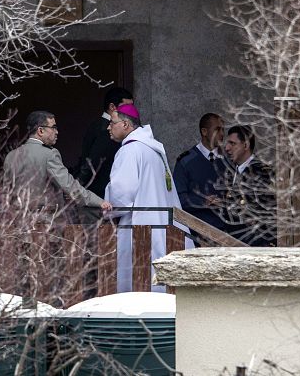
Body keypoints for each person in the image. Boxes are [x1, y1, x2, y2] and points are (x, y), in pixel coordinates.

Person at [105, 104, 193, 292]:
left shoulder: (130, 150)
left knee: (141, 282)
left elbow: (121, 195)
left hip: (140, 226)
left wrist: (106, 203)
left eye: (112, 123)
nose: (108, 127)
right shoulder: (154, 149)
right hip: (163, 224)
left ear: (125, 124)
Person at [3, 110, 113, 222]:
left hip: (17, 222)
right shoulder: (49, 154)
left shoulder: (11, 156)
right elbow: (69, 186)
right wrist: (99, 202)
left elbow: (6, 193)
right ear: (40, 131)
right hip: (45, 221)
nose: (57, 132)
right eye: (53, 127)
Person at [76, 87, 134, 215]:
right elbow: (92, 162)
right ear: (112, 107)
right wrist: (78, 188)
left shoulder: (99, 125)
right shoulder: (105, 129)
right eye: (126, 106)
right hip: (99, 197)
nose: (130, 110)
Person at [173, 113, 229, 241]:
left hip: (225, 234)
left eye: (223, 129)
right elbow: (178, 198)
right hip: (195, 234)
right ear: (204, 131)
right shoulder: (186, 161)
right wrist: (203, 201)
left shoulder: (228, 160)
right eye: (217, 129)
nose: (222, 134)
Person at [222, 125, 276, 246]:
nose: (227, 148)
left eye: (232, 143)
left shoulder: (261, 172)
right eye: (227, 143)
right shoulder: (230, 172)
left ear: (246, 145)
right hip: (234, 242)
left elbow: (263, 212)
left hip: (255, 244)